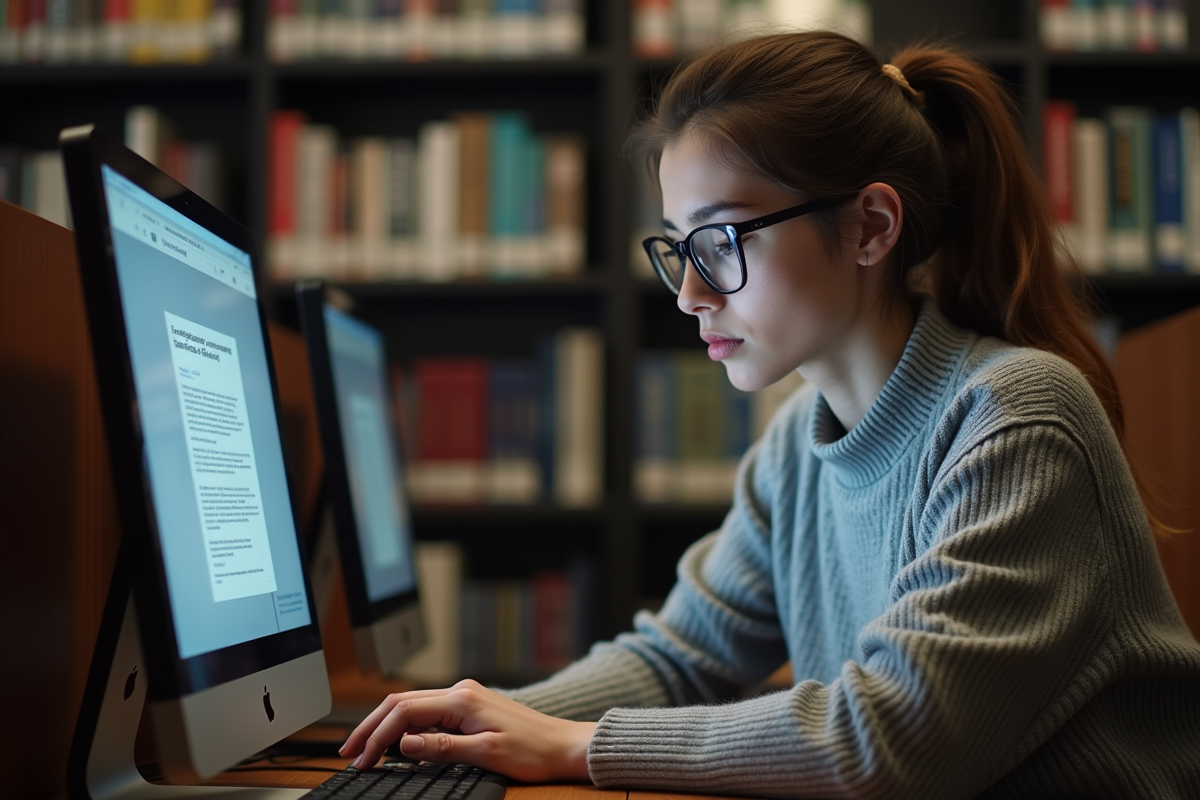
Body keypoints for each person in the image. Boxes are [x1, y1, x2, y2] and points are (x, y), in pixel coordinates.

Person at [340, 31, 1200, 798]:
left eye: (721, 240)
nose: (688, 293)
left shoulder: (1016, 418)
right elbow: (680, 659)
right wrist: (479, 725)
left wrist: (575, 744)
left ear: (871, 226)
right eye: (679, 246)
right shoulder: (800, 439)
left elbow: (891, 738)